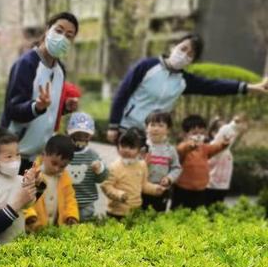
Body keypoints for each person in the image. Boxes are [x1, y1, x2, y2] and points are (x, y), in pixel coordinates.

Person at [106, 34, 268, 143]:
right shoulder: (147, 66)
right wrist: (113, 125)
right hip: (127, 128)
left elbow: (215, 86)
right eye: (183, 49)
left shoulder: (184, 81)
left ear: (192, 61)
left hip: (153, 135)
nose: (184, 55)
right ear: (173, 47)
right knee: (124, 175)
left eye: (190, 54)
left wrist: (251, 87)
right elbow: (122, 93)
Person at [0, 12, 80, 172]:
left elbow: (49, 109)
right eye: (59, 30)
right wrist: (37, 106)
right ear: (47, 30)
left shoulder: (60, 70)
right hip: (14, 155)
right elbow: (13, 109)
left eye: (69, 35)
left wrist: (64, 107)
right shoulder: (26, 64)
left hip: (39, 157)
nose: (63, 37)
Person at [101, 128, 165, 219]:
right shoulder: (114, 167)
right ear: (118, 147)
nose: (126, 150)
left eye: (131, 147)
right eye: (123, 146)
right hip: (116, 212)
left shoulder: (142, 165)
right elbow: (106, 186)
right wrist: (119, 195)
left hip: (135, 210)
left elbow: (143, 185)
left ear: (139, 150)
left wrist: (155, 189)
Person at [172, 115, 230, 209]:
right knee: (179, 213)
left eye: (201, 133)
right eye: (194, 133)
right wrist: (190, 146)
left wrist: (224, 144)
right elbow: (181, 149)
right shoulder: (183, 147)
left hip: (201, 190)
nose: (198, 136)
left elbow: (215, 148)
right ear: (185, 134)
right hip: (182, 189)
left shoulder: (204, 148)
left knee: (198, 216)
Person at [25, 135, 79, 231]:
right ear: (44, 154)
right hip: (33, 227)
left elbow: (70, 199)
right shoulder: (32, 174)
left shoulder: (64, 178)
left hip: (54, 228)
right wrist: (29, 216)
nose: (57, 168)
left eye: (62, 166)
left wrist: (71, 215)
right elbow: (24, 198)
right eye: (54, 163)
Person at [65, 112, 108, 221]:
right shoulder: (64, 152)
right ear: (70, 133)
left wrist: (99, 170)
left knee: (85, 225)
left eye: (85, 135)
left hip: (86, 201)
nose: (82, 138)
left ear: (90, 136)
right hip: (66, 200)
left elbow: (102, 178)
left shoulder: (93, 155)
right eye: (78, 134)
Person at [142, 111, 182, 212]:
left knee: (157, 214)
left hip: (161, 189)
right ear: (146, 127)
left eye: (160, 125)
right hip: (141, 187)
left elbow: (176, 167)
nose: (156, 128)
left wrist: (169, 178)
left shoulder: (171, 150)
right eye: (152, 125)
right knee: (139, 215)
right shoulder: (141, 147)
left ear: (167, 129)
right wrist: (143, 163)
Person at [206, 115, 245, 206]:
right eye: (221, 129)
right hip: (210, 187)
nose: (227, 135)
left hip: (222, 187)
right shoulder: (213, 148)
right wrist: (233, 124)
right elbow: (226, 133)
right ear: (213, 133)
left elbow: (231, 136)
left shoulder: (226, 150)